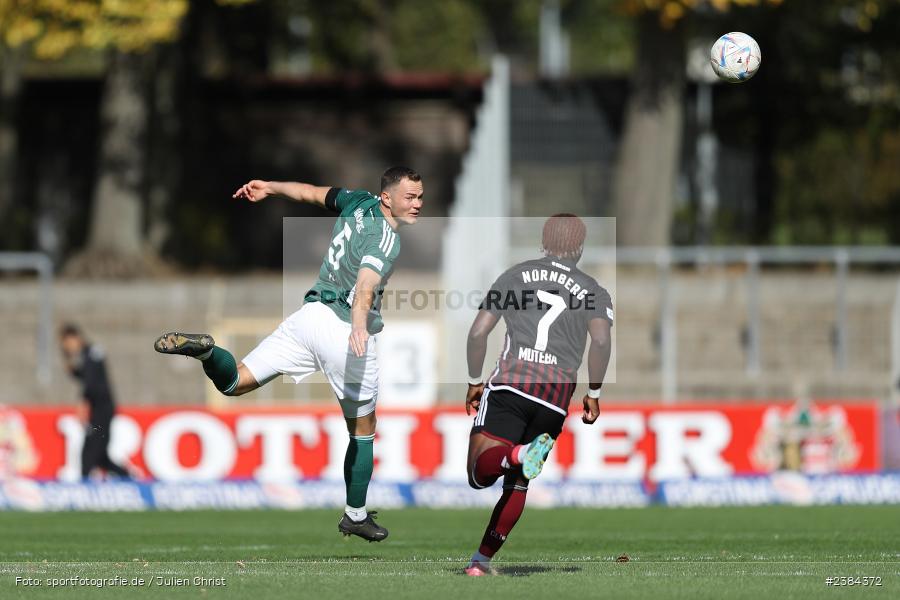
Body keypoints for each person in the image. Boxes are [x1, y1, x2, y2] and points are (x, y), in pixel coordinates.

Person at [153, 167, 424, 542]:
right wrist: (359, 326)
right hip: (343, 328)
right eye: (409, 197)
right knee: (363, 430)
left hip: (308, 316)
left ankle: (208, 353)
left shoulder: (357, 201)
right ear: (387, 198)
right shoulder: (387, 240)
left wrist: (270, 187)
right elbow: (365, 284)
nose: (418, 204)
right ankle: (355, 515)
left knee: (236, 381)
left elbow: (311, 193)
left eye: (420, 197)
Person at [462, 213, 613, 576]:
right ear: (579, 248)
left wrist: (473, 380)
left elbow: (478, 333)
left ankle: (516, 452)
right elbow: (602, 341)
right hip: (554, 400)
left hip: (513, 384)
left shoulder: (516, 275)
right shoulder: (594, 289)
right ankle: (480, 563)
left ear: (543, 243)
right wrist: (593, 392)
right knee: (518, 480)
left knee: (478, 474)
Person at [59, 324, 131, 480]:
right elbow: (89, 378)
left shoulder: (91, 353)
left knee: (89, 451)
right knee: (100, 455)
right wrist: (75, 372)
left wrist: (81, 404)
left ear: (74, 338)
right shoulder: (90, 354)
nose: (67, 348)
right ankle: (127, 477)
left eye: (67, 343)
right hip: (102, 409)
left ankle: (85, 487)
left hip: (101, 411)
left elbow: (90, 384)